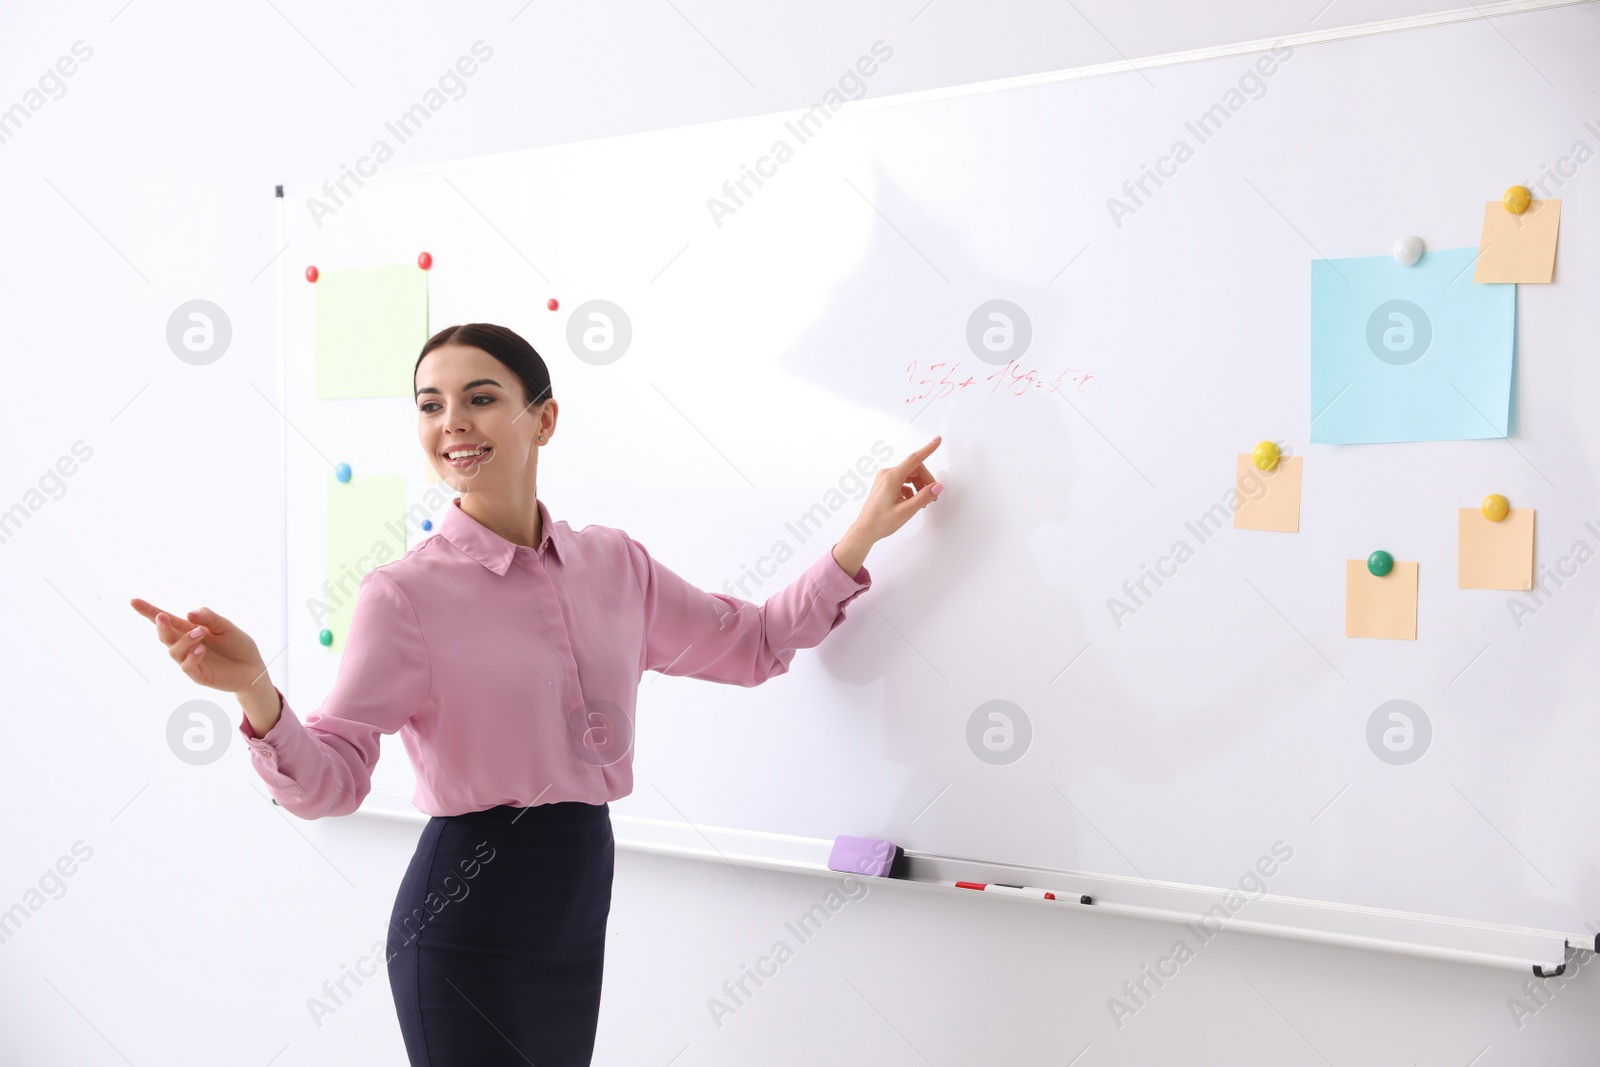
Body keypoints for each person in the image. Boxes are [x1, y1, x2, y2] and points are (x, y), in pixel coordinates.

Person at [130, 322, 943, 1066]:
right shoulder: (403, 595)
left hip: (577, 895)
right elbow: (333, 781)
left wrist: (861, 533)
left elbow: (757, 642)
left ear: (544, 419)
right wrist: (256, 689)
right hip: (463, 915)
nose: (452, 421)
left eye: (481, 398)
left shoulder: (614, 565)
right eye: (430, 404)